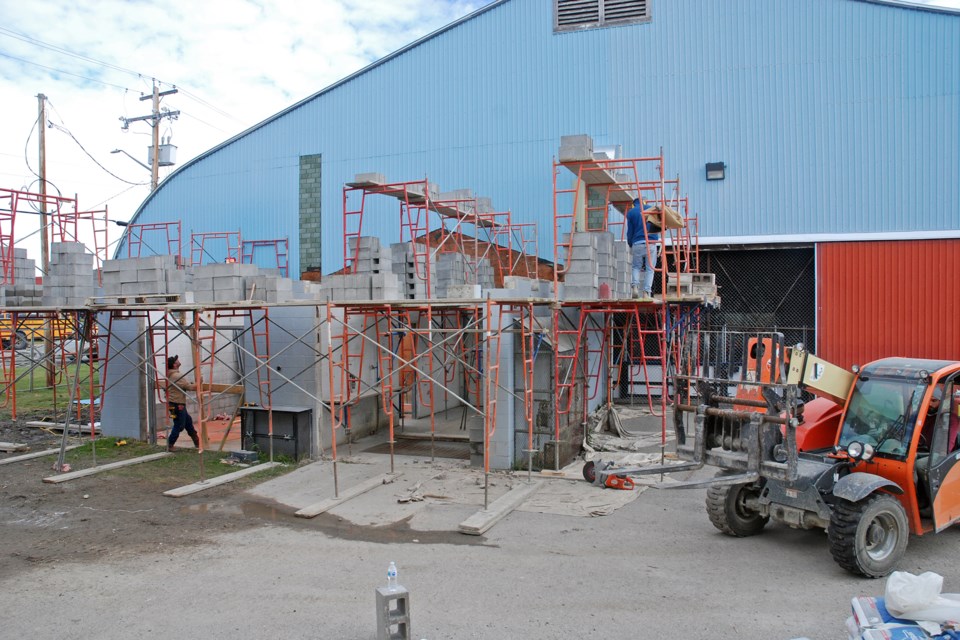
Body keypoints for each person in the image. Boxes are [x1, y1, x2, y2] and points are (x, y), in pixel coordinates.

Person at [626, 196, 660, 300]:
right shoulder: (651, 209)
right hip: (651, 242)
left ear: (634, 204)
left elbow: (630, 231)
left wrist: (630, 243)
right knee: (650, 269)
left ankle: (635, 288)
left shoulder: (631, 212)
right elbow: (658, 225)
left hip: (637, 242)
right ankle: (646, 292)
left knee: (636, 267)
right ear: (645, 201)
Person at [165, 354, 200, 452]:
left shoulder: (171, 375)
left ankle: (197, 442)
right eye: (176, 360)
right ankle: (170, 444)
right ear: (174, 365)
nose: (178, 360)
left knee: (188, 422)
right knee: (179, 425)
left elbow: (185, 385)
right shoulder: (177, 376)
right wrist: (199, 382)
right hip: (177, 405)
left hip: (174, 404)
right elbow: (190, 387)